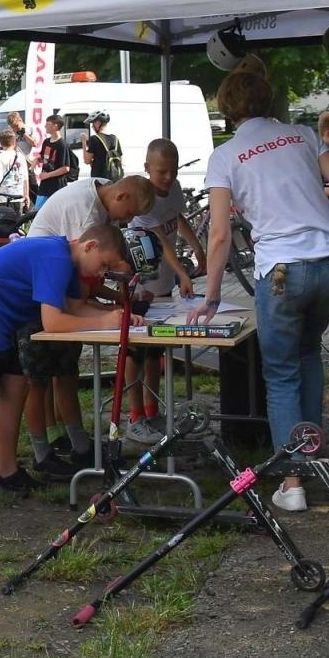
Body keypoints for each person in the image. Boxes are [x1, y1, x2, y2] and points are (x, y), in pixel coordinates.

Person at [189, 66, 329, 510]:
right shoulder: (302, 135)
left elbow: (219, 235)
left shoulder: (227, 156)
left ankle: (292, 481)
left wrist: (212, 296)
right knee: (308, 354)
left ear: (227, 108)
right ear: (268, 98)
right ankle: (316, 463)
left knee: (280, 373)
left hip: (282, 271)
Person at [0, 225, 132, 495]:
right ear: (90, 246)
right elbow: (52, 322)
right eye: (103, 265)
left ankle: (8, 470)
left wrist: (114, 317)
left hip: (7, 323)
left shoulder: (71, 263)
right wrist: (103, 320)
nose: (101, 274)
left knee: (16, 391)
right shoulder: (56, 258)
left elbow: (75, 308)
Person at [26, 172, 155, 473]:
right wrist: (107, 310)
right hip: (45, 293)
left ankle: (75, 442)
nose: (127, 219)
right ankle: (51, 445)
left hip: (58, 291)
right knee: (42, 376)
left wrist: (117, 302)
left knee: (65, 371)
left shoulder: (99, 192)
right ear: (121, 196)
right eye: (131, 212)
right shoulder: (84, 213)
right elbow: (85, 281)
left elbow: (89, 280)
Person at [122, 139, 207, 445]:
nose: (168, 178)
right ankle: (134, 416)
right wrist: (183, 272)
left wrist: (198, 247)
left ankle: (151, 408)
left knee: (155, 350)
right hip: (141, 284)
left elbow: (178, 219)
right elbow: (164, 242)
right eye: (161, 172)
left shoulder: (174, 188)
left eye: (171, 171)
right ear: (147, 168)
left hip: (162, 285)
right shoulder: (143, 201)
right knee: (135, 351)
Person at [34, 115, 76, 210]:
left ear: (55, 126)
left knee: (57, 211)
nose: (45, 126)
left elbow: (65, 168)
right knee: (38, 211)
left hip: (57, 185)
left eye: (48, 124)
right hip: (44, 185)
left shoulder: (62, 145)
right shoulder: (46, 142)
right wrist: (36, 160)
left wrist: (47, 175)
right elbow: (44, 158)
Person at [0, 129, 30, 211]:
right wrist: (26, 195)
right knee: (18, 222)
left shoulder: (0, 157)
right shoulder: (21, 156)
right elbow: (25, 179)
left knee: (5, 222)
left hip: (4, 198)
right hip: (19, 197)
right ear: (14, 142)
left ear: (0, 142)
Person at [84, 110, 124, 182]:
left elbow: (86, 161)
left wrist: (83, 143)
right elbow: (121, 160)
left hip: (100, 180)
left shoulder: (94, 139)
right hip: (115, 180)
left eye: (93, 123)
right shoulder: (115, 139)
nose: (92, 126)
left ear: (98, 123)